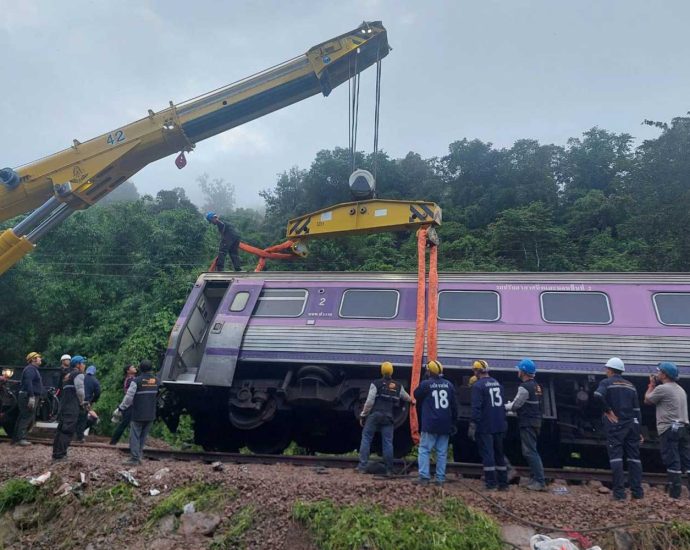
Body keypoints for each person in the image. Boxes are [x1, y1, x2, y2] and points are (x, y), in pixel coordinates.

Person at [593, 357, 643, 501]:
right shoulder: (630, 385)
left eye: (606, 369)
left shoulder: (606, 382)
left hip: (615, 426)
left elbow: (597, 395)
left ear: (609, 370)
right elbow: (637, 410)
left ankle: (619, 494)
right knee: (634, 459)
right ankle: (637, 493)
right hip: (632, 426)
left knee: (616, 458)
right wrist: (638, 429)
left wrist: (608, 410)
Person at [357, 361, 413, 475]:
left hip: (375, 415)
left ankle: (362, 467)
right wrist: (413, 400)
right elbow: (407, 398)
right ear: (392, 372)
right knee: (387, 442)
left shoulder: (376, 384)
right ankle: (389, 470)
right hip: (389, 417)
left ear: (381, 371)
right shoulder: (397, 386)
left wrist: (363, 415)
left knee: (367, 438)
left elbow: (369, 402)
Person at [644, 362, 689, 498]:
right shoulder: (680, 389)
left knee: (672, 459)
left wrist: (651, 385)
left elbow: (647, 400)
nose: (657, 374)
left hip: (669, 428)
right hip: (683, 427)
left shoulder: (663, 389)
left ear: (664, 374)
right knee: (686, 460)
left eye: (659, 372)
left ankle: (675, 495)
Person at [414, 360, 458, 485]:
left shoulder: (426, 384)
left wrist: (423, 379)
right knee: (442, 452)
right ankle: (440, 478)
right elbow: (454, 406)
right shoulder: (449, 384)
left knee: (424, 449)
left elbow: (416, 394)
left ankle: (424, 477)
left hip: (430, 423)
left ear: (429, 371)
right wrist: (454, 422)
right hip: (445, 423)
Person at [505, 358, 546, 491]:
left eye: (519, 370)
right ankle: (535, 479)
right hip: (536, 421)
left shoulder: (524, 387)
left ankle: (539, 481)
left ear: (523, 372)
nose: (517, 371)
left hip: (527, 422)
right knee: (532, 450)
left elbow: (516, 405)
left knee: (530, 452)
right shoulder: (537, 386)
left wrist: (503, 406)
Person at [468, 360, 509, 491]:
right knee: (499, 454)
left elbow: (476, 408)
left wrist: (473, 424)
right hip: (499, 424)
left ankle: (491, 483)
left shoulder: (478, 386)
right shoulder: (497, 384)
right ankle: (503, 483)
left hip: (485, 425)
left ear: (476, 371)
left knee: (488, 454)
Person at [112, 360, 159, 465]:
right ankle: (139, 457)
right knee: (143, 437)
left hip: (138, 413)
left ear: (141, 369)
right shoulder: (156, 380)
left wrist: (121, 408)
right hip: (151, 414)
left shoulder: (136, 381)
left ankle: (134, 459)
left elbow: (128, 398)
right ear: (151, 368)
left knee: (135, 436)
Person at [52, 356, 88, 462]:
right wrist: (82, 402)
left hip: (63, 406)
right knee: (67, 431)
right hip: (71, 406)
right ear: (77, 364)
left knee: (61, 430)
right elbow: (80, 391)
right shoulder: (78, 374)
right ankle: (60, 456)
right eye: (83, 363)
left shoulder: (67, 375)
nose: (84, 365)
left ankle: (56, 454)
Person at [13, 352, 44, 446]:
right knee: (26, 416)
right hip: (27, 396)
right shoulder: (30, 369)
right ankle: (20, 439)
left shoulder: (33, 369)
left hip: (28, 395)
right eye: (39, 358)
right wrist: (31, 396)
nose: (40, 359)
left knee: (24, 416)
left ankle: (16, 438)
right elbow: (28, 383)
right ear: (33, 359)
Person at [110, 364, 137, 445]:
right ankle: (114, 441)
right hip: (129, 405)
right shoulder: (130, 380)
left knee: (126, 424)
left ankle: (114, 441)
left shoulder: (132, 379)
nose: (135, 368)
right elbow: (130, 394)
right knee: (125, 424)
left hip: (130, 405)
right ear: (128, 371)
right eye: (132, 367)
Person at [75, 365, 101, 442]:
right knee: (83, 418)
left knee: (76, 417)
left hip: (77, 400)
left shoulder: (81, 377)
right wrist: (93, 400)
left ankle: (75, 433)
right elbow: (98, 393)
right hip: (86, 402)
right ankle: (80, 437)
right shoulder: (95, 381)